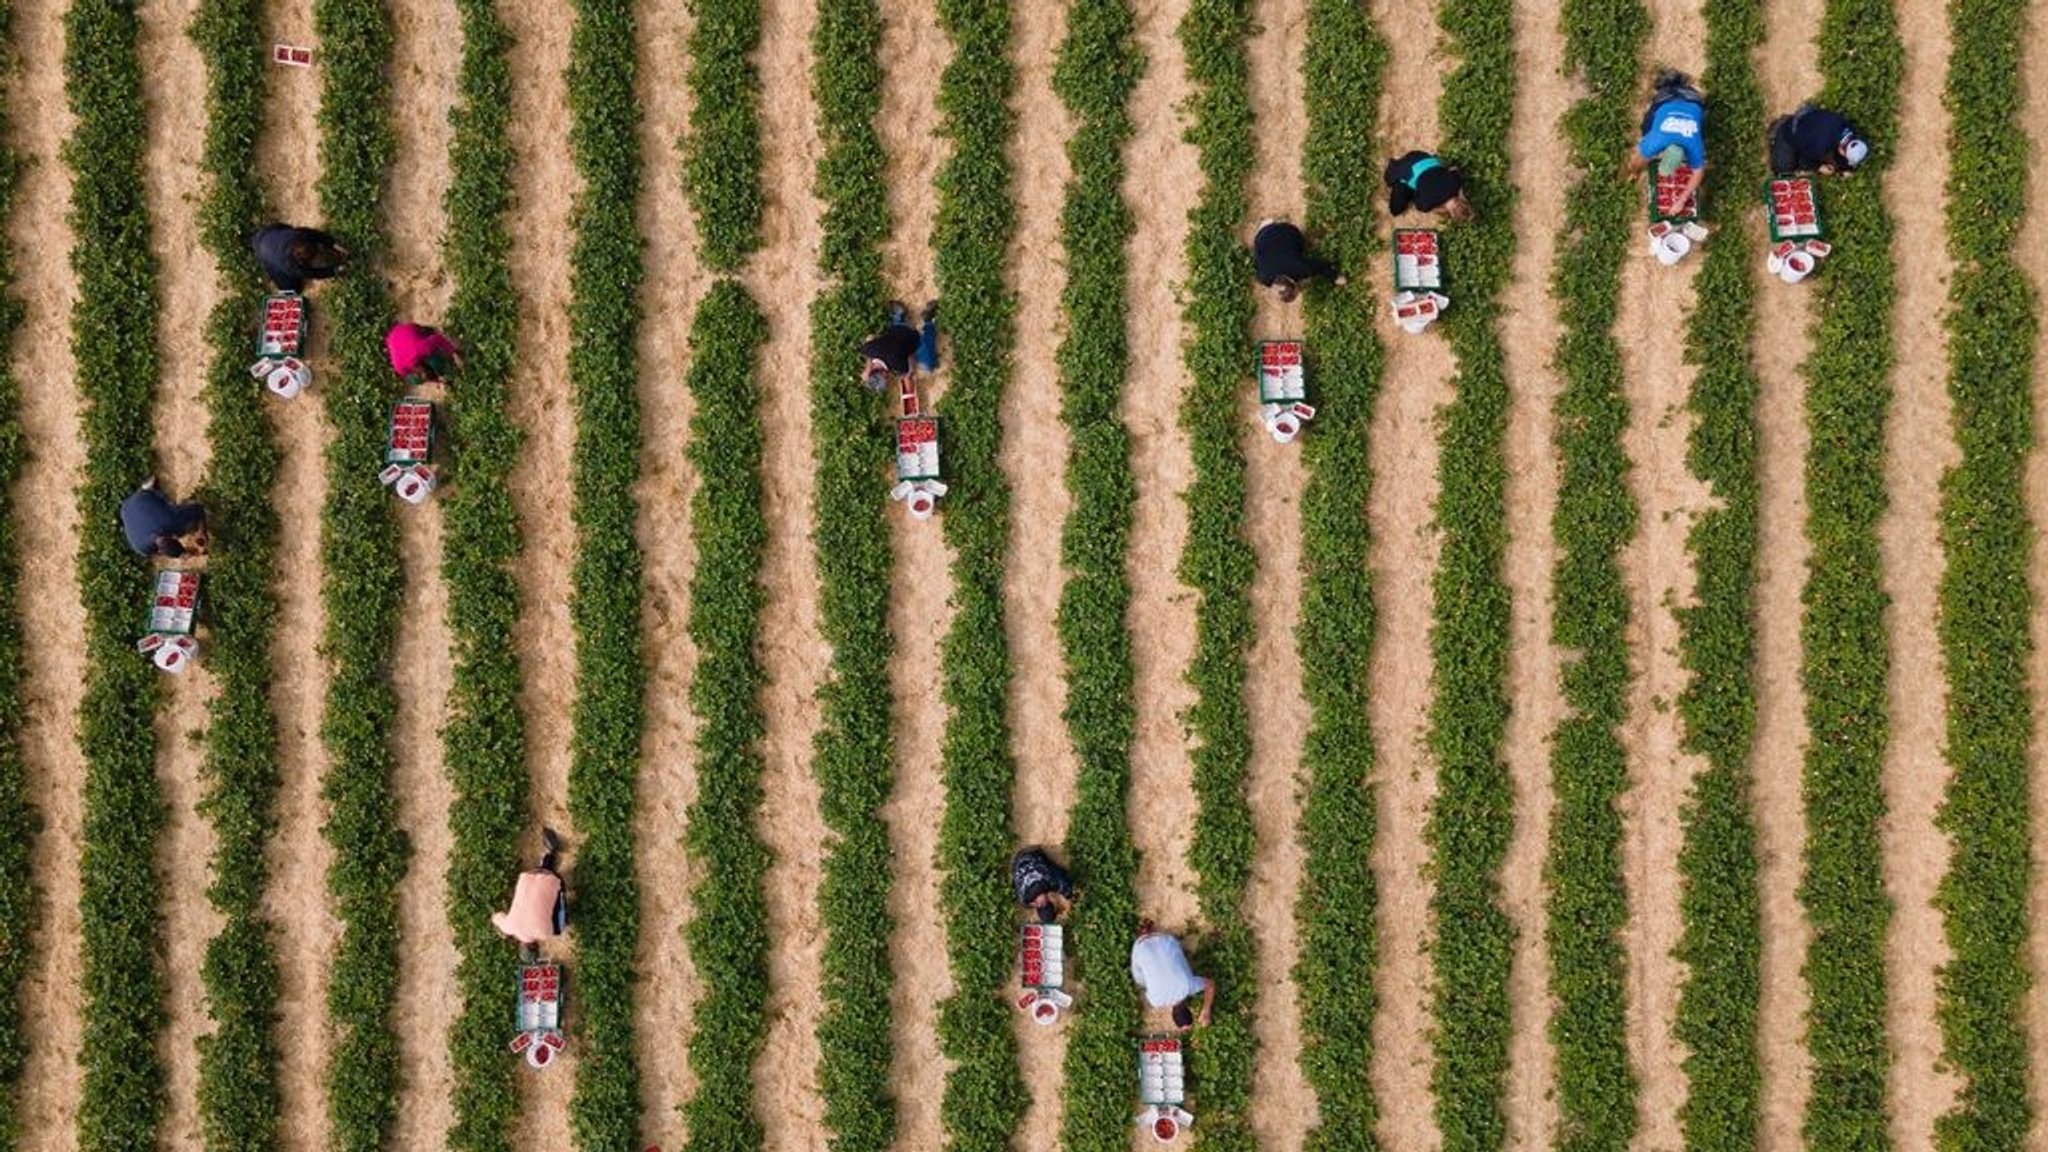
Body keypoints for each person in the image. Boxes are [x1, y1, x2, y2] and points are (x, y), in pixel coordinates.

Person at [1624, 70, 1708, 207]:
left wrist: (1680, 202)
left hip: (1685, 98)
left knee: (1648, 128)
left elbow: (1699, 173)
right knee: (1647, 129)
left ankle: (1675, 84)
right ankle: (1675, 84)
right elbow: (1636, 159)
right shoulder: (1661, 141)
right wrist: (1634, 171)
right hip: (1680, 97)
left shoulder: (1691, 144)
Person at [1130, 919, 1215, 1031]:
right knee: (1140, 981)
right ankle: (1145, 936)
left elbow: (1211, 985)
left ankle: (1149, 935)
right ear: (1172, 1014)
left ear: (1187, 1008)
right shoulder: (1155, 1001)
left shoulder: (1190, 986)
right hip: (1140, 945)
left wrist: (1206, 1010)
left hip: (1165, 938)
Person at [493, 828, 567, 948]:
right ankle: (548, 855)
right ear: (521, 945)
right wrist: (502, 931)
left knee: (559, 924)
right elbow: (495, 917)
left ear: (537, 945)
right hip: (527, 877)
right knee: (540, 876)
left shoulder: (546, 933)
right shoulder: (508, 927)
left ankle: (550, 854)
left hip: (554, 880)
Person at [1252, 220, 1344, 302]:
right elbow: (1257, 260)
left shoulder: (1301, 267)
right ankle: (1268, 226)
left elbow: (1322, 266)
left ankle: (1276, 228)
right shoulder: (1263, 277)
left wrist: (1335, 277)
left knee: (1301, 246)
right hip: (1263, 236)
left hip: (1286, 231)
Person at [857, 300, 939, 392]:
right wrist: (868, 368)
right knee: (874, 338)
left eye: (885, 378)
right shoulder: (869, 350)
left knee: (928, 365)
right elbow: (870, 340)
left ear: (882, 373)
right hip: (898, 329)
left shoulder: (897, 365)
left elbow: (911, 358)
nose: (887, 378)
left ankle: (928, 322)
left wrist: (908, 375)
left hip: (914, 337)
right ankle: (898, 315)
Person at [1768, 103, 1869, 176]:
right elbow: (1807, 159)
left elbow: (1841, 154)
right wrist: (1819, 167)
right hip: (1790, 131)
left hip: (1812, 116)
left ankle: (1802, 119)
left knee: (1813, 139)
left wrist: (1846, 169)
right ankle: (1779, 128)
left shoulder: (1850, 130)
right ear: (1842, 150)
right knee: (1784, 169)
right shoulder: (1820, 146)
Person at [119, 476, 207, 558]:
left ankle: (148, 490)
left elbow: (199, 508)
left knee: (183, 525)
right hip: (126, 508)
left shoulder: (171, 520)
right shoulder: (141, 549)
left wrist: (201, 532)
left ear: (173, 537)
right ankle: (145, 490)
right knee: (176, 526)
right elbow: (159, 552)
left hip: (142, 499)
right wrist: (183, 553)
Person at [250, 223, 349, 292]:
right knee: (294, 289)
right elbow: (315, 273)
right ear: (302, 263)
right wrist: (335, 271)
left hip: (266, 233)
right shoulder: (292, 267)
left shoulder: (299, 235)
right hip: (263, 251)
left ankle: (256, 235)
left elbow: (315, 235)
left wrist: (333, 244)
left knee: (287, 229)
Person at [1384, 151, 1474, 221]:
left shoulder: (1456, 183)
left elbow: (1454, 169)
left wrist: (1458, 190)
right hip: (1408, 168)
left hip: (1421, 156)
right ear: (1451, 214)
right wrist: (1437, 208)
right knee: (1396, 209)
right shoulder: (1428, 204)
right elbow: (1417, 202)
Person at [1010, 846, 1073, 924]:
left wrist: (1068, 895)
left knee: (1057, 872)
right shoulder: (1024, 900)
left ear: (1051, 902)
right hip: (1018, 860)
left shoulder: (1050, 882)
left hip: (1032, 854)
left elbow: (1066, 885)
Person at [386, 322, 461, 384]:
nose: (423, 373)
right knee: (431, 365)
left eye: (421, 373)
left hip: (406, 329)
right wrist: (437, 380)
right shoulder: (400, 369)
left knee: (435, 358)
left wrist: (454, 354)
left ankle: (435, 330)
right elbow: (425, 376)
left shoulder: (420, 349)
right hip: (392, 338)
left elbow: (437, 338)